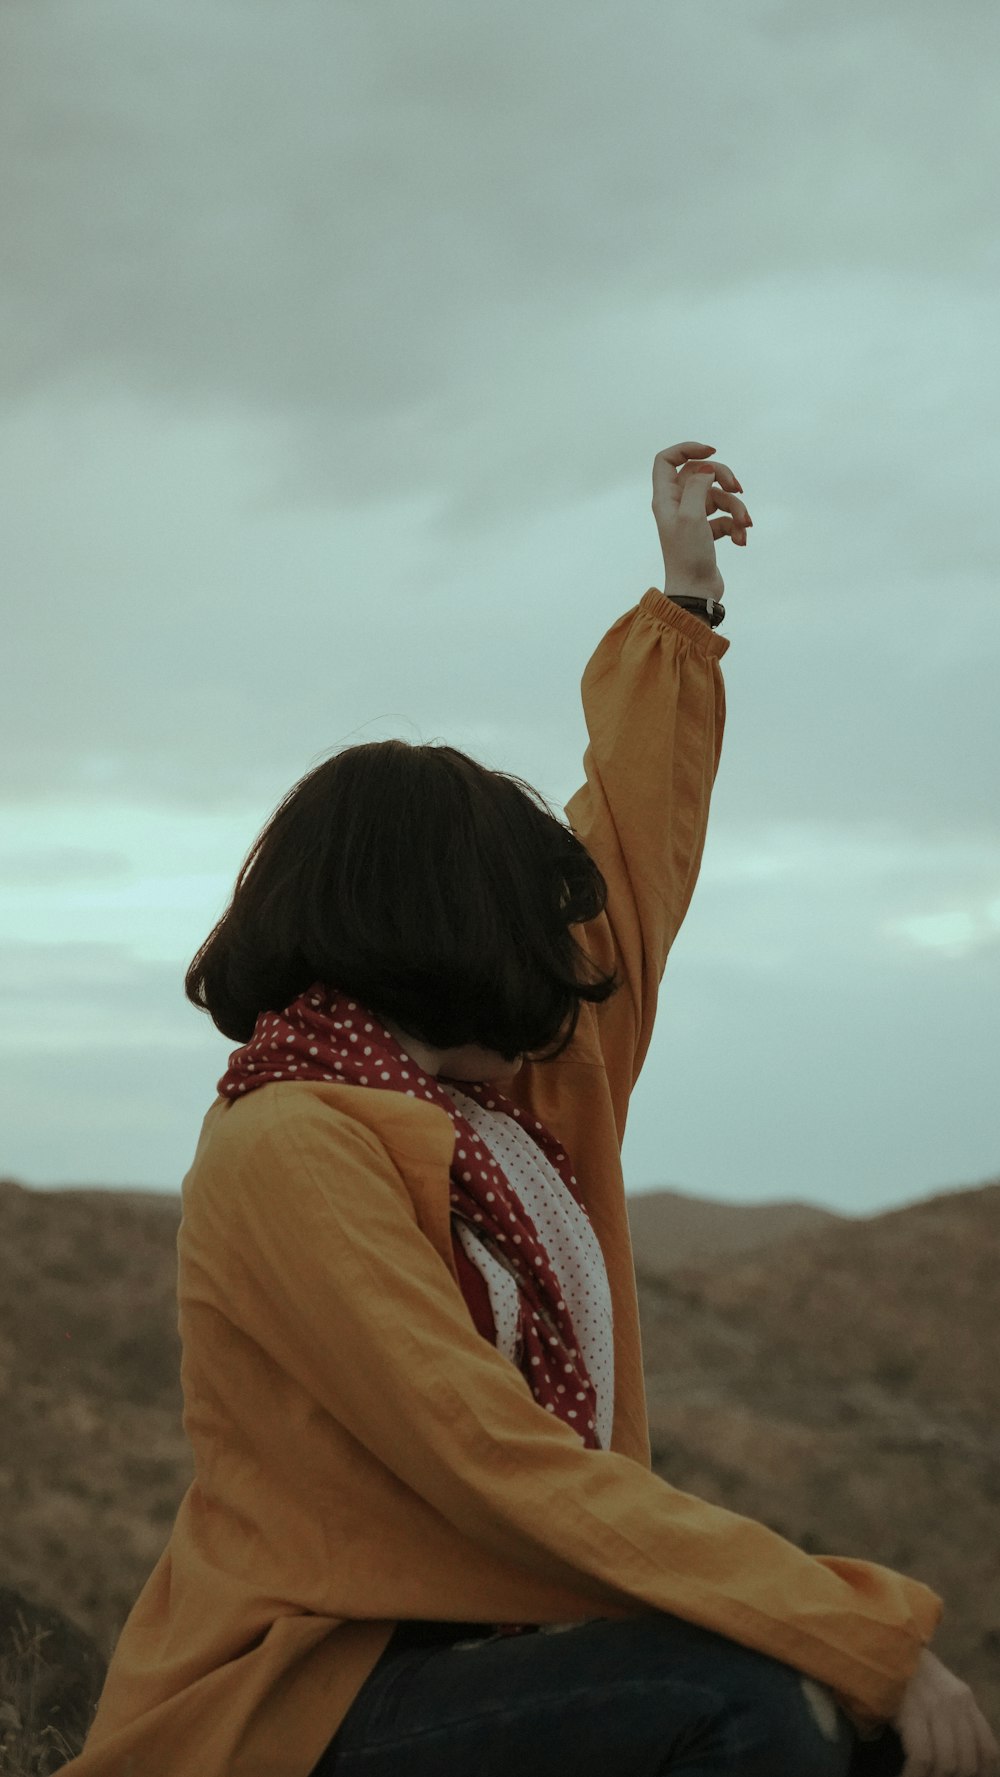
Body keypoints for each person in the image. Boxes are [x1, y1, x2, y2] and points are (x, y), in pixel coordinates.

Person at [58, 443, 998, 1777]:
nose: (564, 953)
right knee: (748, 1699)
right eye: (525, 920)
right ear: (446, 925)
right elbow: (487, 1454)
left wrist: (685, 612)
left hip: (504, 1655)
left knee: (817, 1705)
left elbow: (631, 855)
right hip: (309, 1698)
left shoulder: (515, 1103)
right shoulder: (290, 1141)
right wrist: (860, 1626)